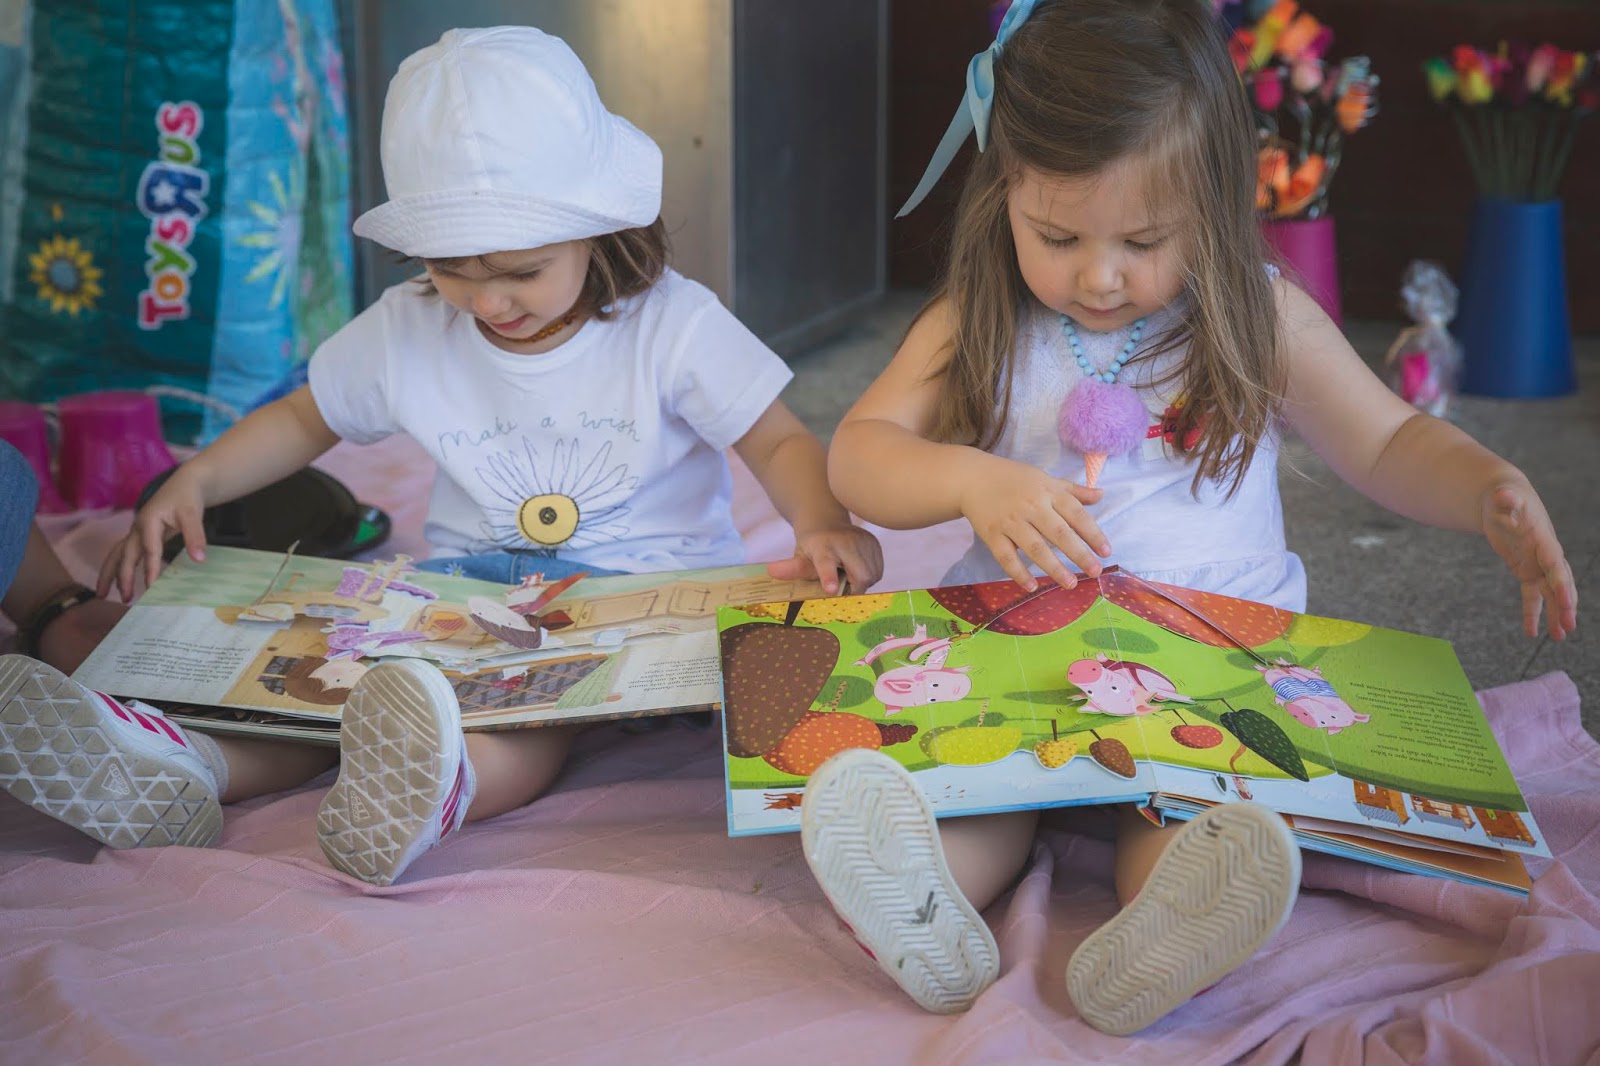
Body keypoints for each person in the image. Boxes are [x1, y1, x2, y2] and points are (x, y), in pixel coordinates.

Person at [807, 0, 1577, 1036]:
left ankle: (1171, 923)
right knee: (975, 787)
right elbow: (860, 452)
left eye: (1143, 240)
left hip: (1208, 659)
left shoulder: (1259, 313)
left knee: (1195, 809)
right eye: (1056, 236)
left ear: (1211, 205)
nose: (1099, 275)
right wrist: (967, 479)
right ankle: (921, 896)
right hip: (1021, 652)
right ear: (1004, 195)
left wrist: (1484, 486)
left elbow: (1388, 441)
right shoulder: (979, 316)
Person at [0, 26, 880, 887]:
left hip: (641, 600)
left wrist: (820, 521)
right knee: (324, 686)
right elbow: (305, 417)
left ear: (600, 226)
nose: (490, 302)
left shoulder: (673, 324)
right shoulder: (410, 326)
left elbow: (775, 436)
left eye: (522, 271)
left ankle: (437, 783)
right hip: (469, 595)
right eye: (455, 271)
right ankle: (187, 765)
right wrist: (198, 476)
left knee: (519, 716)